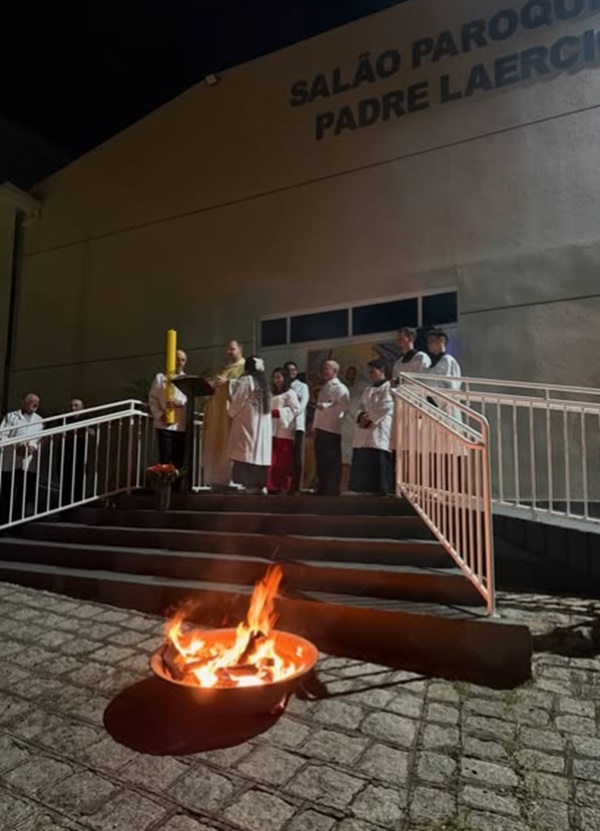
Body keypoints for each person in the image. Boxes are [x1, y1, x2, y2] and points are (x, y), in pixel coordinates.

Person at [202, 340, 246, 491]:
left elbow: (245, 388)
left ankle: (230, 480)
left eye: (232, 349)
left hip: (230, 413)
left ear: (240, 350)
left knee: (229, 444)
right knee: (217, 445)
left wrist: (228, 382)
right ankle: (216, 479)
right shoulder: (223, 368)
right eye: (227, 349)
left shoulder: (244, 368)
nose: (229, 352)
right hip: (217, 412)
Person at [349, 359, 394, 496]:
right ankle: (364, 488)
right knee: (364, 456)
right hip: (365, 427)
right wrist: (360, 416)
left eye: (373, 372)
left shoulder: (389, 387)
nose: (370, 375)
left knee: (378, 456)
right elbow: (360, 406)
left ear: (382, 371)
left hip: (378, 426)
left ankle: (381, 489)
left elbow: (387, 405)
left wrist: (370, 419)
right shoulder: (368, 390)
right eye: (369, 372)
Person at [228, 356, 272, 494]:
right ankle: (259, 485)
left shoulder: (247, 380)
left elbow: (238, 399)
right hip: (262, 423)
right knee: (258, 452)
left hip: (247, 421)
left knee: (246, 451)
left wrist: (230, 412)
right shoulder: (264, 384)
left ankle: (247, 484)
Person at [0, 393, 44, 525]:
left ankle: (17, 524)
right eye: (32, 401)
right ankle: (4, 522)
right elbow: (3, 435)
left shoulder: (39, 420)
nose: (35, 404)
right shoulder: (11, 416)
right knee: (7, 493)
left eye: (37, 402)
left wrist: (32, 447)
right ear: (24, 402)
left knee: (22, 494)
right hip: (10, 460)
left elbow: (40, 439)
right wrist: (17, 446)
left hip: (28, 462)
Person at [149, 349, 188, 480]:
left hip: (180, 425)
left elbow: (189, 400)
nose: (179, 363)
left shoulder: (187, 380)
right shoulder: (160, 378)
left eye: (183, 360)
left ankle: (177, 487)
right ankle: (164, 487)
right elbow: (153, 399)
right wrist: (160, 415)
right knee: (165, 459)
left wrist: (179, 402)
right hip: (164, 424)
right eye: (177, 359)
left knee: (178, 459)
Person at [313, 360, 350, 496]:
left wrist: (325, 406)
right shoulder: (324, 387)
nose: (324, 371)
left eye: (327, 368)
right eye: (323, 368)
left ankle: (332, 488)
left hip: (331, 427)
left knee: (331, 459)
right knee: (321, 458)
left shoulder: (339, 388)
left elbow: (344, 406)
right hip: (321, 426)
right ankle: (322, 486)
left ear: (335, 371)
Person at [267, 368, 300, 494]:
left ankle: (284, 485)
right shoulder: (271, 393)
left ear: (285, 378)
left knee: (283, 460)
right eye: (274, 377)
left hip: (284, 430)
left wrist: (279, 412)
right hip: (271, 428)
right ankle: (271, 485)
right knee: (272, 459)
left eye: (279, 377)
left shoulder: (290, 393)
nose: (276, 380)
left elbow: (295, 409)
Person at [59, 398, 93, 507]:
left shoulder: (86, 419)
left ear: (82, 408)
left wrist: (84, 431)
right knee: (66, 481)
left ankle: (77, 506)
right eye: (71, 406)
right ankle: (65, 508)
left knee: (79, 480)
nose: (73, 408)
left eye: (76, 406)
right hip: (66, 454)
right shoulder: (65, 419)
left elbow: (92, 432)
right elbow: (60, 434)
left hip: (80, 455)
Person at [284, 361, 309, 494]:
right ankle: (284, 484)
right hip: (283, 426)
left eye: (293, 370)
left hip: (297, 424)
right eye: (288, 370)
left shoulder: (302, 386)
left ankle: (295, 486)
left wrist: (288, 414)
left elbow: (302, 405)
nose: (291, 372)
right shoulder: (282, 386)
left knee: (296, 456)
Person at [426, 329, 462, 418]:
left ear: (441, 340)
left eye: (432, 341)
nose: (429, 344)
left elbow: (451, 385)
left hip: (446, 407)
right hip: (435, 406)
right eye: (428, 342)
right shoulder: (433, 364)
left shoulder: (448, 360)